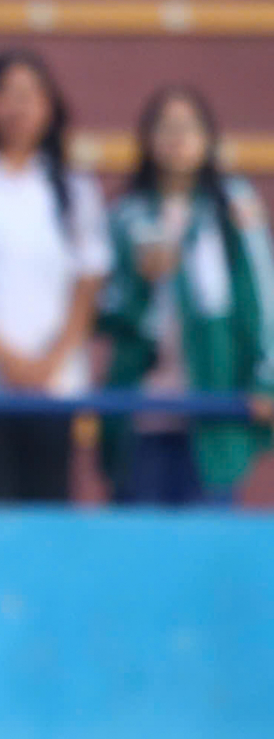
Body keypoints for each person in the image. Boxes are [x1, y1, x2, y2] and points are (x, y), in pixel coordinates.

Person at [0, 49, 111, 500]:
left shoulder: (74, 189)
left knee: (46, 516)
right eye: (6, 95)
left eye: (30, 95)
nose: (18, 107)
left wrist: (51, 358)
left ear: (51, 107)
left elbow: (88, 281)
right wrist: (5, 356)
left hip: (53, 385)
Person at [99, 86, 274, 503]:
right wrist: (144, 284)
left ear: (208, 137)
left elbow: (261, 296)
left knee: (204, 542)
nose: (177, 138)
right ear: (147, 138)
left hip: (212, 408)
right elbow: (108, 313)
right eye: (166, 127)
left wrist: (265, 379)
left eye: (188, 127)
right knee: (138, 543)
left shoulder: (233, 206)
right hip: (143, 411)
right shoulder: (126, 215)